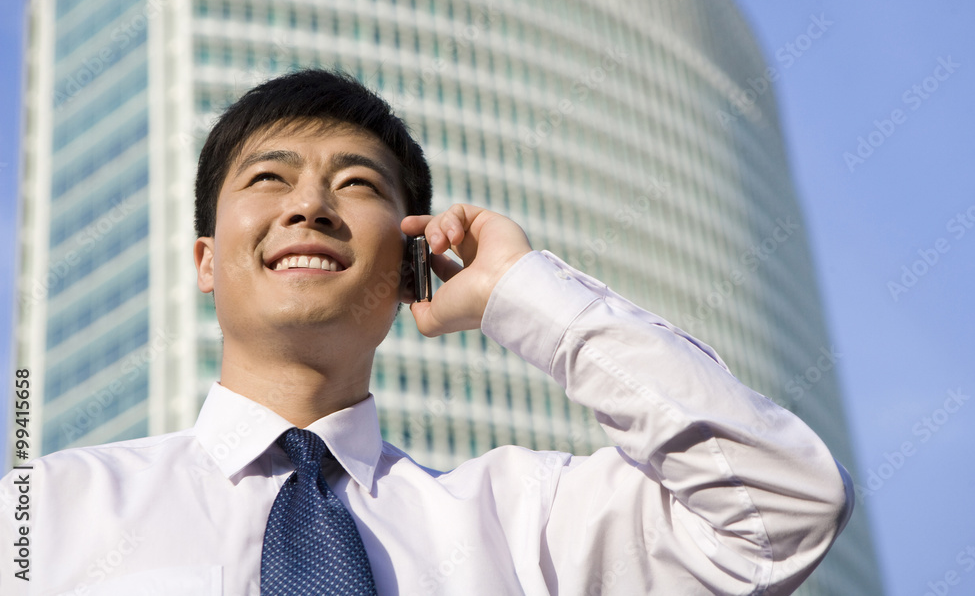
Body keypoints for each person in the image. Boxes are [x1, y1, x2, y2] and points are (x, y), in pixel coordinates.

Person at [0, 69, 853, 595]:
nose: (308, 205)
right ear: (205, 260)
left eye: (358, 184)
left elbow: (785, 502)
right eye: (269, 177)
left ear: (411, 258)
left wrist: (522, 295)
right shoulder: (44, 513)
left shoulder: (528, 524)